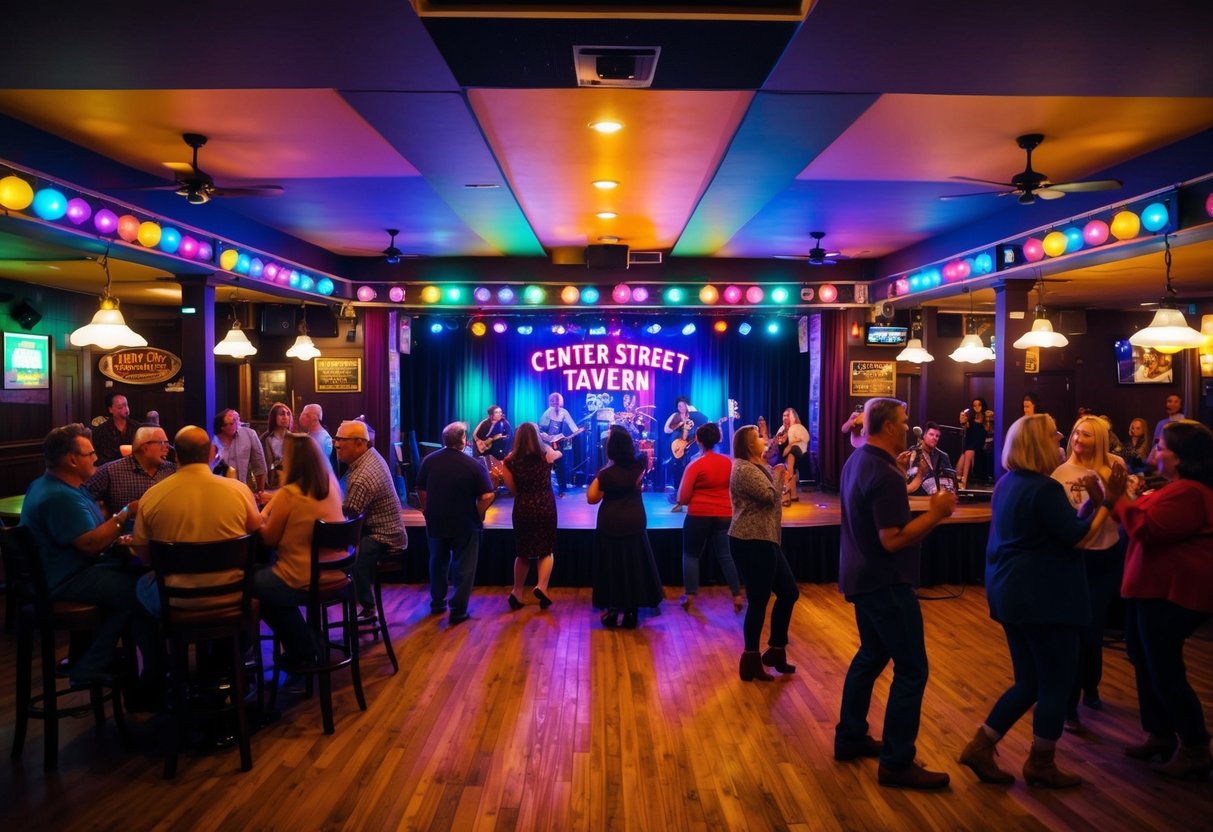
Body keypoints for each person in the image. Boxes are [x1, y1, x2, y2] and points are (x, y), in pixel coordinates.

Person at [959, 414, 1126, 789]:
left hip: (1012, 594)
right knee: (1054, 682)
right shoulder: (1044, 488)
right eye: (1054, 437)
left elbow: (1064, 526)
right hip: (1044, 598)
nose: (1060, 441)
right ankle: (1041, 763)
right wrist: (1108, 504)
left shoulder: (1009, 483)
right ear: (1038, 445)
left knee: (1029, 682)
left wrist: (1091, 505)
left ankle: (981, 745)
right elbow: (1079, 540)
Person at [835, 397, 957, 790]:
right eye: (904, 421)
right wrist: (936, 514)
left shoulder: (858, 460)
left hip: (861, 577)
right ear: (888, 427)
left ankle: (850, 736)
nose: (909, 427)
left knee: (871, 655)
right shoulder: (884, 474)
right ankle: (897, 762)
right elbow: (892, 539)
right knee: (912, 669)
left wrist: (898, 466)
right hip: (886, 583)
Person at [1111, 420, 1213, 779]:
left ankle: (1195, 745)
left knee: (1165, 670)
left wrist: (1117, 499)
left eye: (1161, 444)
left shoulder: (1189, 492)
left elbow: (1146, 529)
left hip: (1171, 593)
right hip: (1148, 589)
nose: (1155, 449)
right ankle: (1160, 734)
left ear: (1181, 457)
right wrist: (1109, 499)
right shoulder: (1170, 488)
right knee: (1143, 659)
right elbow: (1133, 518)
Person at [20, 423, 156, 690]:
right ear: (72, 460)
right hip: (65, 579)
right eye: (90, 453)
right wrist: (127, 512)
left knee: (135, 581)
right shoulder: (59, 496)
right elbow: (90, 544)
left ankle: (117, 664)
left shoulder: (55, 485)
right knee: (138, 590)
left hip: (63, 572)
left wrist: (114, 524)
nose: (96, 458)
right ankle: (95, 666)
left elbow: (92, 529)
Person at [131, 426, 264, 616]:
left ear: (177, 457)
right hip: (232, 594)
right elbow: (256, 530)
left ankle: (165, 644)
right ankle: (236, 643)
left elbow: (143, 554)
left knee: (140, 588)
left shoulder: (151, 496)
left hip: (176, 600)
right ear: (211, 453)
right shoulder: (240, 491)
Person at [1050, 415, 1127, 726]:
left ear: (1101, 440)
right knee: (1076, 632)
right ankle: (1069, 704)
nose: (1079, 440)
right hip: (1076, 558)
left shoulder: (1115, 466)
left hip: (1106, 557)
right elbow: (1064, 524)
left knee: (1093, 631)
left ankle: (1090, 686)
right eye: (1076, 433)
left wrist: (1116, 494)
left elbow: (1124, 515)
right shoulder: (1060, 473)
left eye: (1087, 435)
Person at [255, 433, 345, 668]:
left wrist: (255, 519)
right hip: (337, 574)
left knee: (252, 585)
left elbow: (268, 539)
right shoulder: (331, 485)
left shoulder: (290, 493)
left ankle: (302, 649)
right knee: (269, 589)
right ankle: (308, 643)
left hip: (302, 577)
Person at [729, 424, 797, 680]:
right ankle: (750, 660)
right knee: (758, 600)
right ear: (749, 446)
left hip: (766, 539)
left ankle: (776, 650)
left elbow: (774, 499)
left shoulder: (758, 466)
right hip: (751, 540)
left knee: (789, 593)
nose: (763, 439)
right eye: (758, 436)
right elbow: (770, 496)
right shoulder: (744, 469)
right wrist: (780, 475)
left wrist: (777, 475)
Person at [416, 422, 494, 625]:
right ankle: (458, 611)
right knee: (464, 566)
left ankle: (437, 604)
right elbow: (487, 495)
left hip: (436, 520)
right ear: (462, 441)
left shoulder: (429, 461)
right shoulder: (474, 465)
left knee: (437, 562)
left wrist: (427, 510)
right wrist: (476, 514)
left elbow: (421, 489)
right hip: (465, 523)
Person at [588, 425, 663, 629]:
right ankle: (631, 612)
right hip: (634, 520)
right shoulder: (639, 466)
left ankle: (613, 610)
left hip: (610, 522)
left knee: (611, 566)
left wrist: (605, 472)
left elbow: (591, 498)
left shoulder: (606, 474)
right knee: (634, 566)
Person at [334, 420, 408, 618]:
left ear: (359, 444)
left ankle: (366, 608)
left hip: (384, 535)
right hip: (379, 529)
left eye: (342, 440)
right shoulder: (369, 456)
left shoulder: (362, 476)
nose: (337, 444)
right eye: (336, 438)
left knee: (350, 558)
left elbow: (348, 519)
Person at [676, 422, 743, 613]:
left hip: (699, 515)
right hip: (724, 514)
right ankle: (737, 595)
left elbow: (682, 498)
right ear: (717, 439)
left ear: (698, 440)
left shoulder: (695, 464)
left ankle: (689, 595)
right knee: (725, 556)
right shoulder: (729, 462)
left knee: (690, 555)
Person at [500, 422, 558, 611]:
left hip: (523, 507)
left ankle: (517, 591)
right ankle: (541, 586)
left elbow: (512, 489)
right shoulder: (546, 454)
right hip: (545, 506)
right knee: (546, 550)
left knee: (523, 552)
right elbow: (558, 454)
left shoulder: (509, 461)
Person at [85, 424, 176, 517]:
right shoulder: (112, 471)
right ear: (145, 447)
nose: (167, 447)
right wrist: (98, 519)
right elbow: (81, 496)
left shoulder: (172, 470)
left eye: (167, 443)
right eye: (161, 443)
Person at [212, 408, 268, 494]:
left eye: (234, 421)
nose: (234, 424)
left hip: (244, 490)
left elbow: (259, 465)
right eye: (229, 423)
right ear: (222, 427)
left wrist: (260, 491)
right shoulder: (215, 440)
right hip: (221, 491)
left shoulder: (249, 434)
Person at [539, 393, 581, 497]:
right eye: (553, 401)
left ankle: (562, 487)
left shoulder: (564, 412)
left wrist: (573, 434)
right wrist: (547, 437)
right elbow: (541, 429)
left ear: (560, 402)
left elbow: (573, 427)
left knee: (560, 464)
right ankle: (546, 487)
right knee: (546, 464)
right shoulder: (547, 413)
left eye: (557, 401)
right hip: (547, 442)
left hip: (558, 442)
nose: (555, 403)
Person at [664, 396, 706, 492]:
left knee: (688, 463)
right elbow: (666, 430)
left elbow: (703, 419)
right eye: (679, 406)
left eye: (683, 406)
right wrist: (679, 425)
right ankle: (677, 488)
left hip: (690, 445)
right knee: (678, 465)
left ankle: (689, 486)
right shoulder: (675, 415)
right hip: (677, 444)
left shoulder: (693, 416)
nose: (680, 408)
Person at [772, 407, 810, 506]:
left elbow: (803, 441)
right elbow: (777, 444)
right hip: (784, 455)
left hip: (798, 454)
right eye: (784, 415)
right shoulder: (782, 429)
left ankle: (786, 494)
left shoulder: (798, 427)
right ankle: (793, 496)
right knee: (788, 468)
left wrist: (789, 444)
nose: (785, 418)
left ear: (793, 417)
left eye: (787, 415)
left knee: (791, 455)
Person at [903, 422, 952, 496]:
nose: (934, 438)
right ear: (924, 435)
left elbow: (950, 478)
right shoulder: (914, 451)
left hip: (940, 496)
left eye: (937, 436)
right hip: (918, 497)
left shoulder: (943, 456)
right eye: (931, 434)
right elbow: (909, 477)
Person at [92, 391, 139, 464]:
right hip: (109, 470)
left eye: (126, 405)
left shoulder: (137, 427)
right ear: (110, 409)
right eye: (120, 407)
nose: (126, 409)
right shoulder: (101, 431)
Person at [956, 397, 989, 488]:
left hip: (979, 447)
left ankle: (964, 481)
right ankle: (961, 483)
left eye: (979, 405)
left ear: (983, 406)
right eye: (974, 405)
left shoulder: (986, 420)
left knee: (969, 452)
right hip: (969, 446)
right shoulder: (970, 420)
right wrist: (962, 422)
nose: (977, 407)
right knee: (958, 469)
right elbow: (964, 429)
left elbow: (988, 431)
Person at [260, 402, 293, 489]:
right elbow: (263, 465)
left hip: (290, 483)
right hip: (271, 484)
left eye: (287, 414)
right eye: (281, 414)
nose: (285, 417)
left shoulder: (294, 439)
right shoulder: (265, 439)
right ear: (274, 417)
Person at [1147, 394, 1184, 466]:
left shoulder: (1186, 423)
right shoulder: (1161, 423)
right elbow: (1155, 444)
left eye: (1176, 402)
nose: (1172, 404)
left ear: (1181, 404)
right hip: (1161, 461)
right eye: (1170, 401)